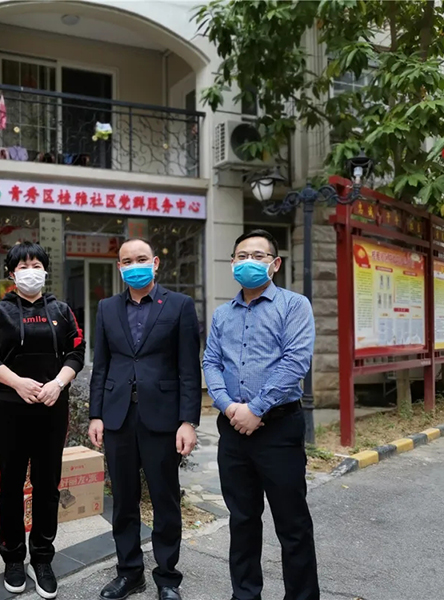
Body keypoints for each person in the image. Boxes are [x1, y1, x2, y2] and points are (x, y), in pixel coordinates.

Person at [202, 229, 318, 600]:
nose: (248, 262)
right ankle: (245, 594)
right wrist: (228, 406)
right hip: (232, 430)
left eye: (258, 256)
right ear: (232, 263)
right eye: (241, 256)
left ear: (275, 263)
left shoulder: (294, 305)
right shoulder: (222, 314)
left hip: (279, 429)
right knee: (242, 520)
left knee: (292, 523)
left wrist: (256, 408)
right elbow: (211, 361)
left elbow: (295, 361)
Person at [88, 238, 201, 600]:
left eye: (141, 259)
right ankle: (129, 572)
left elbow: (189, 368)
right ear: (119, 267)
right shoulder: (107, 308)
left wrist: (188, 421)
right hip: (118, 416)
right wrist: (95, 414)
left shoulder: (179, 305)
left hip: (163, 418)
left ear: (155, 263)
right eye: (127, 261)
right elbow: (101, 365)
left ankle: (167, 578)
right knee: (123, 500)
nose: (134, 265)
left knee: (165, 500)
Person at [0, 241, 86, 600]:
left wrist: (58, 383)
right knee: (9, 485)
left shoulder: (62, 310)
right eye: (22, 266)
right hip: (9, 407)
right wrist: (17, 383)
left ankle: (42, 557)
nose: (30, 271)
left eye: (36, 265)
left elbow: (76, 351)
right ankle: (13, 556)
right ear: (12, 273)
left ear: (45, 270)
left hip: (51, 407)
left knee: (47, 485)